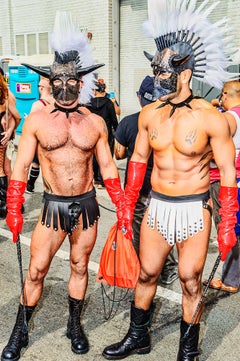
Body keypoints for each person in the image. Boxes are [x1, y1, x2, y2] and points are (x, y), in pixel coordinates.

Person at [102, 1, 238, 360]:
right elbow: (139, 160)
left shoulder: (212, 118)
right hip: (158, 206)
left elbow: (226, 170)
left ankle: (188, 350)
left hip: (194, 208)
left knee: (191, 279)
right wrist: (128, 204)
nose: (159, 79)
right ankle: (138, 337)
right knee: (146, 273)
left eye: (167, 73)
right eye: (156, 71)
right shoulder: (149, 114)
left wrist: (228, 222)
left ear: (186, 73)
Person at [1, 12, 125, 361]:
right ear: (51, 82)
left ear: (81, 81)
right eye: (58, 82)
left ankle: (74, 325)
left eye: (72, 82)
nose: (66, 88)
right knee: (37, 269)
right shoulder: (38, 121)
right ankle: (19, 332)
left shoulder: (95, 122)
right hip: (53, 207)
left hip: (86, 205)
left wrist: (123, 205)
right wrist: (13, 209)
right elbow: (22, 166)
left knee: (79, 266)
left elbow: (106, 167)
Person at [114, 75, 178, 285]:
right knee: (165, 230)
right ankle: (168, 270)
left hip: (139, 189)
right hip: (165, 189)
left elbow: (119, 154)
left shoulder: (130, 122)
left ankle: (141, 270)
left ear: (140, 97)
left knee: (139, 232)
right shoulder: (173, 120)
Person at [203, 81, 240, 294]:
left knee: (228, 226)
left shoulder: (229, 118)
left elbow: (214, 148)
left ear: (225, 94)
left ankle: (230, 279)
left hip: (224, 180)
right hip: (234, 178)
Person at [86, 78, 118, 188]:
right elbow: (113, 119)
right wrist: (117, 131)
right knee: (105, 154)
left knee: (93, 155)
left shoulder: (89, 104)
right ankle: (103, 180)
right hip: (106, 132)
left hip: (91, 132)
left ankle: (96, 179)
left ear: (94, 91)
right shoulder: (109, 103)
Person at [26, 77, 54, 193]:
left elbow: (30, 123)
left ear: (41, 88)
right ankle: (51, 189)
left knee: (36, 164)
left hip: (40, 138)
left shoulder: (37, 104)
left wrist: (27, 118)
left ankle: (30, 185)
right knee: (50, 165)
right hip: (52, 137)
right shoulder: (55, 102)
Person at [0, 67, 20, 217]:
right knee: (5, 168)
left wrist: (10, 131)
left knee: (5, 169)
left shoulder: (7, 95)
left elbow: (16, 117)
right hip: (4, 136)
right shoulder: (5, 94)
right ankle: (10, 201)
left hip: (5, 137)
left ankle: (9, 202)